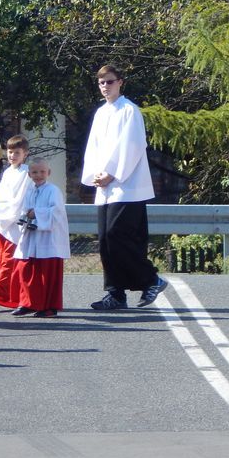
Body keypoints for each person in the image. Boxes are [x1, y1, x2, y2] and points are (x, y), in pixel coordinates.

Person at [81, 65, 166, 310]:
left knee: (118, 235)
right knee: (105, 240)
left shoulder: (130, 110)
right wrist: (96, 174)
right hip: (105, 187)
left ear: (120, 82)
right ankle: (115, 293)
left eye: (110, 82)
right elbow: (94, 147)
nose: (105, 86)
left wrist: (112, 173)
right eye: (101, 83)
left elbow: (133, 145)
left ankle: (150, 279)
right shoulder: (101, 113)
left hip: (127, 186)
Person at [10, 159, 71, 318]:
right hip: (31, 236)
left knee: (46, 273)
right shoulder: (29, 191)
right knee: (26, 270)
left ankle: (49, 306)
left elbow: (57, 212)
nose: (38, 175)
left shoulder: (53, 190)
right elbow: (23, 209)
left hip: (48, 238)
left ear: (48, 173)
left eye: (42, 172)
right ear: (29, 174)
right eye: (35, 172)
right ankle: (28, 302)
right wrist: (26, 214)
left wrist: (36, 213)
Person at [0, 135, 33, 308]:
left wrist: (1, 210)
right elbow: (1, 195)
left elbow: (18, 200)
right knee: (0, 260)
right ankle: (0, 292)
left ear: (25, 154)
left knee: (8, 261)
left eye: (17, 152)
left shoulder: (26, 174)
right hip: (3, 223)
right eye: (10, 152)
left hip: (14, 223)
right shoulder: (7, 172)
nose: (12, 156)